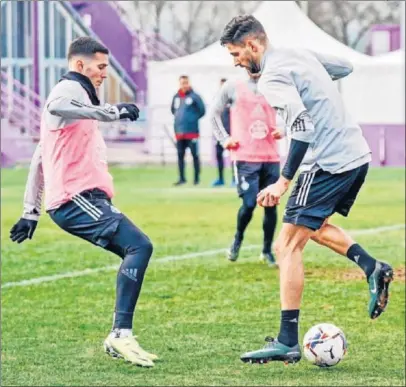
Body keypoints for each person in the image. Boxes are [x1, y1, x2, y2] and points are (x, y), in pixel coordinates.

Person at [220, 15, 393, 365]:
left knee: (286, 245)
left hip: (326, 161)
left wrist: (283, 180)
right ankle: (372, 266)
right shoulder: (298, 55)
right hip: (355, 153)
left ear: (254, 45)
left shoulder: (270, 75)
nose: (236, 62)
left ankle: (287, 341)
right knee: (310, 228)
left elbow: (303, 128)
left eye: (237, 53)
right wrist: (312, 96)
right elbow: (343, 68)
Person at [9, 37, 158, 367]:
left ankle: (119, 334)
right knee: (140, 246)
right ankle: (121, 335)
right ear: (80, 65)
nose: (105, 73)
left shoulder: (80, 98)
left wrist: (30, 212)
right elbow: (55, 106)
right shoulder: (70, 90)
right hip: (76, 199)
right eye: (101, 67)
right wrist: (111, 112)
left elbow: (39, 159)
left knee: (135, 249)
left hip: (80, 198)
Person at [210, 71, 281, 266]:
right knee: (249, 204)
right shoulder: (233, 86)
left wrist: (283, 128)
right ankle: (238, 238)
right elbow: (213, 112)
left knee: (270, 205)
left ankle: (266, 251)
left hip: (271, 156)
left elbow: (291, 110)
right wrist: (224, 139)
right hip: (245, 157)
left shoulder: (276, 85)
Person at [171, 75, 206, 186]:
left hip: (192, 132)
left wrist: (192, 119)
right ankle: (182, 178)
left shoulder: (195, 97)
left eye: (186, 83)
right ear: (179, 84)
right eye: (182, 83)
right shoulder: (176, 97)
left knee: (195, 155)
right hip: (179, 132)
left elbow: (202, 111)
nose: (184, 85)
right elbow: (173, 110)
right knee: (180, 156)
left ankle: (196, 179)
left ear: (189, 83)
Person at [211, 78, 234, 187]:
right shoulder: (216, 101)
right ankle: (220, 179)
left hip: (232, 133)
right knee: (219, 156)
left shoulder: (233, 100)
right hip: (220, 134)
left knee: (234, 157)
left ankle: (235, 179)